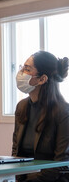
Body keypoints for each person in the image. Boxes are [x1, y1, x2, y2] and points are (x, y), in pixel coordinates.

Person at [13, 51, 69, 181]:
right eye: (22, 67)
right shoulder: (21, 107)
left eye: (27, 69)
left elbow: (61, 164)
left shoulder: (63, 112)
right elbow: (15, 152)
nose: (21, 72)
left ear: (42, 79)